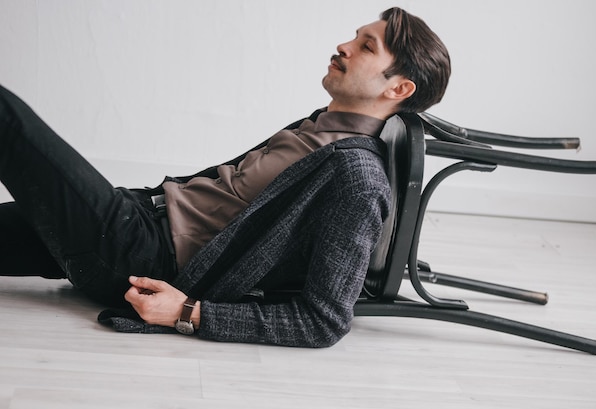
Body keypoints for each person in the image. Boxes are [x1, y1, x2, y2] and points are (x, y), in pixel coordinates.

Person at [0, 7, 450, 347]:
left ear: (398, 89)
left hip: (138, 252)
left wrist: (189, 312)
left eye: (366, 47)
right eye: (356, 37)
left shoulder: (358, 179)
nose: (344, 46)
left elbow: (324, 319)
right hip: (137, 212)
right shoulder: (322, 125)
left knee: (6, 116)